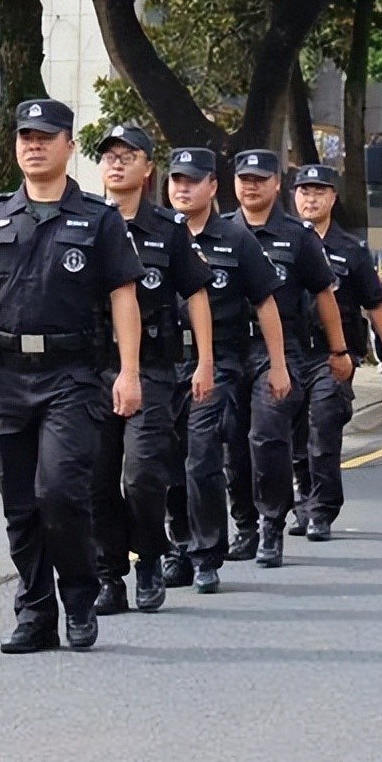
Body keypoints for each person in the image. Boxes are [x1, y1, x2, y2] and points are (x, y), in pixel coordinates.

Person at [0, 99, 145, 653]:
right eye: (25, 136)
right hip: (8, 379)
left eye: (46, 136)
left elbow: (124, 297)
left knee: (61, 492)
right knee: (20, 504)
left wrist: (128, 371)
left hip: (72, 378)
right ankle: (35, 612)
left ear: (68, 145)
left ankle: (79, 597)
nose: (33, 144)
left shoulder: (98, 220)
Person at [89, 124, 215, 616]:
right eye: (109, 156)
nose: (116, 163)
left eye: (128, 156)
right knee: (96, 479)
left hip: (154, 372)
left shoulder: (167, 229)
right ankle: (109, 575)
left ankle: (150, 557)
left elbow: (197, 294)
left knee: (142, 475)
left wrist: (204, 361)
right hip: (92, 371)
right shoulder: (82, 223)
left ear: (147, 169)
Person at [167, 147, 288, 593]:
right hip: (162, 365)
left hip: (217, 363)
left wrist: (278, 366)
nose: (182, 188)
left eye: (192, 180)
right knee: (163, 462)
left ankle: (205, 554)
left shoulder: (236, 239)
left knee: (202, 457)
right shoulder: (157, 235)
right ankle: (177, 545)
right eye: (176, 180)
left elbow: (266, 304)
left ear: (212, 187)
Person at [224, 150, 353, 568]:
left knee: (268, 438)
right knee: (230, 442)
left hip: (278, 352)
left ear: (277, 184)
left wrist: (338, 352)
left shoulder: (298, 236)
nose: (251, 185)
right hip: (228, 350)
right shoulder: (220, 231)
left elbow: (325, 297)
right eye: (245, 178)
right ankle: (242, 524)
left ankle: (271, 526)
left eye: (261, 178)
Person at [290, 164, 382, 540]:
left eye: (319, 191)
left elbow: (376, 305)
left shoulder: (350, 250)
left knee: (323, 430)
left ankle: (322, 510)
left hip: (333, 356)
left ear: (333, 198)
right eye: (305, 191)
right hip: (287, 355)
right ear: (293, 196)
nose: (311, 198)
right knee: (291, 438)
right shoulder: (280, 242)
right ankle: (303, 500)